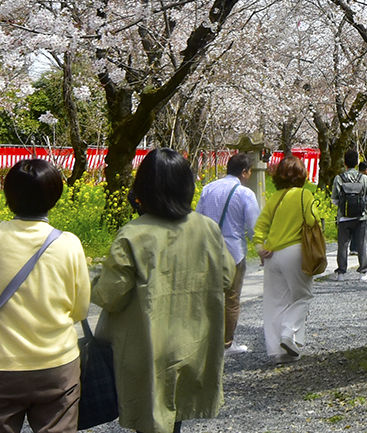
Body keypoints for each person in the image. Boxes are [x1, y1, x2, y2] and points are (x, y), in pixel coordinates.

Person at [92, 148, 227, 433]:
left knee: (152, 416)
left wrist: (92, 280)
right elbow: (226, 277)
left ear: (143, 188)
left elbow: (109, 296)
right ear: (187, 186)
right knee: (175, 414)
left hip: (146, 348)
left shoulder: (133, 234)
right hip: (194, 342)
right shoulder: (208, 229)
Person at [0, 159, 91, 433]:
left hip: (1, 368)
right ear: (55, 197)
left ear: (8, 197)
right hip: (58, 366)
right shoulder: (69, 243)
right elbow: (80, 310)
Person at [253, 153, 321, 363]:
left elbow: (260, 226)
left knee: (275, 302)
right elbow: (312, 219)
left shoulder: (275, 198)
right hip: (295, 252)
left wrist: (259, 246)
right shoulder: (304, 195)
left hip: (272, 255)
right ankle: (288, 334)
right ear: (301, 175)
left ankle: (277, 352)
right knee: (302, 296)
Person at [195, 153, 260, 354]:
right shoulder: (245, 193)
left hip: (208, 250)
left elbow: (197, 218)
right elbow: (253, 227)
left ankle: (206, 340)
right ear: (244, 172)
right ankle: (227, 344)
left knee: (209, 298)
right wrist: (261, 248)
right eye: (249, 171)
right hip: (234, 252)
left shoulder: (208, 188)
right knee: (231, 299)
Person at [330, 149, 367, 280]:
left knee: (342, 245)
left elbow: (334, 199)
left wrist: (344, 207)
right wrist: (360, 205)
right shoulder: (364, 178)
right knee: (361, 245)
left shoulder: (339, 178)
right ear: (357, 162)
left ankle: (341, 273)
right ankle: (363, 272)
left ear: (345, 163)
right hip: (360, 217)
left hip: (344, 217)